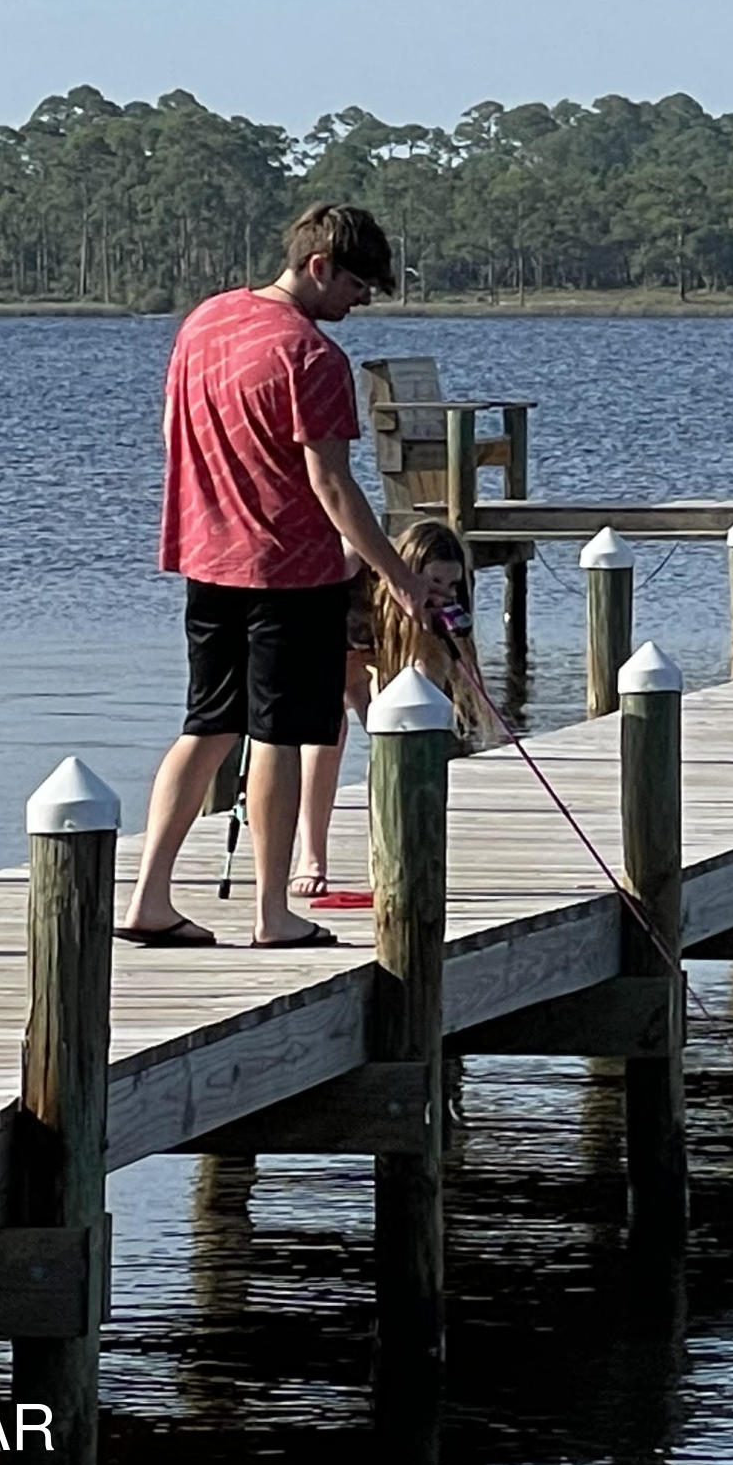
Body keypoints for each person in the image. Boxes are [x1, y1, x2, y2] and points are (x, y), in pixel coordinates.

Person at [120, 204, 428, 948]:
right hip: (290, 573)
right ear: (318, 266)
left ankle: (147, 900)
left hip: (205, 558)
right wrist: (399, 578)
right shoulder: (315, 359)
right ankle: (272, 914)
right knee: (281, 737)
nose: (361, 301)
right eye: (357, 284)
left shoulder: (205, 321)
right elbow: (333, 489)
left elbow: (174, 431)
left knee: (207, 725)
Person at [292, 518, 496, 906]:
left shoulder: (439, 609)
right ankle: (311, 857)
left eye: (452, 585)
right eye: (434, 582)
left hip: (386, 644)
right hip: (332, 635)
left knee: (406, 729)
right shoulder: (357, 568)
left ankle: (395, 851)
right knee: (328, 728)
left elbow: (424, 688)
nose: (444, 593)